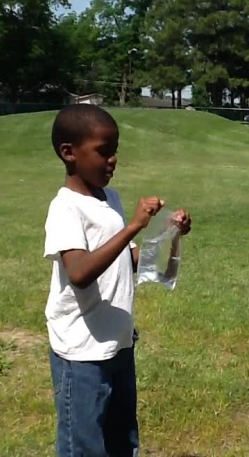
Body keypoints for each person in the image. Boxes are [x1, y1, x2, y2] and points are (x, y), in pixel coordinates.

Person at [44, 104, 191, 457]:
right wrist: (133, 226)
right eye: (103, 151)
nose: (112, 160)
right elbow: (79, 272)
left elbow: (129, 259)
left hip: (118, 343)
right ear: (69, 153)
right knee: (84, 446)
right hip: (81, 353)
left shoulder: (111, 199)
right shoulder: (66, 208)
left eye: (115, 151)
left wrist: (169, 234)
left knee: (122, 441)